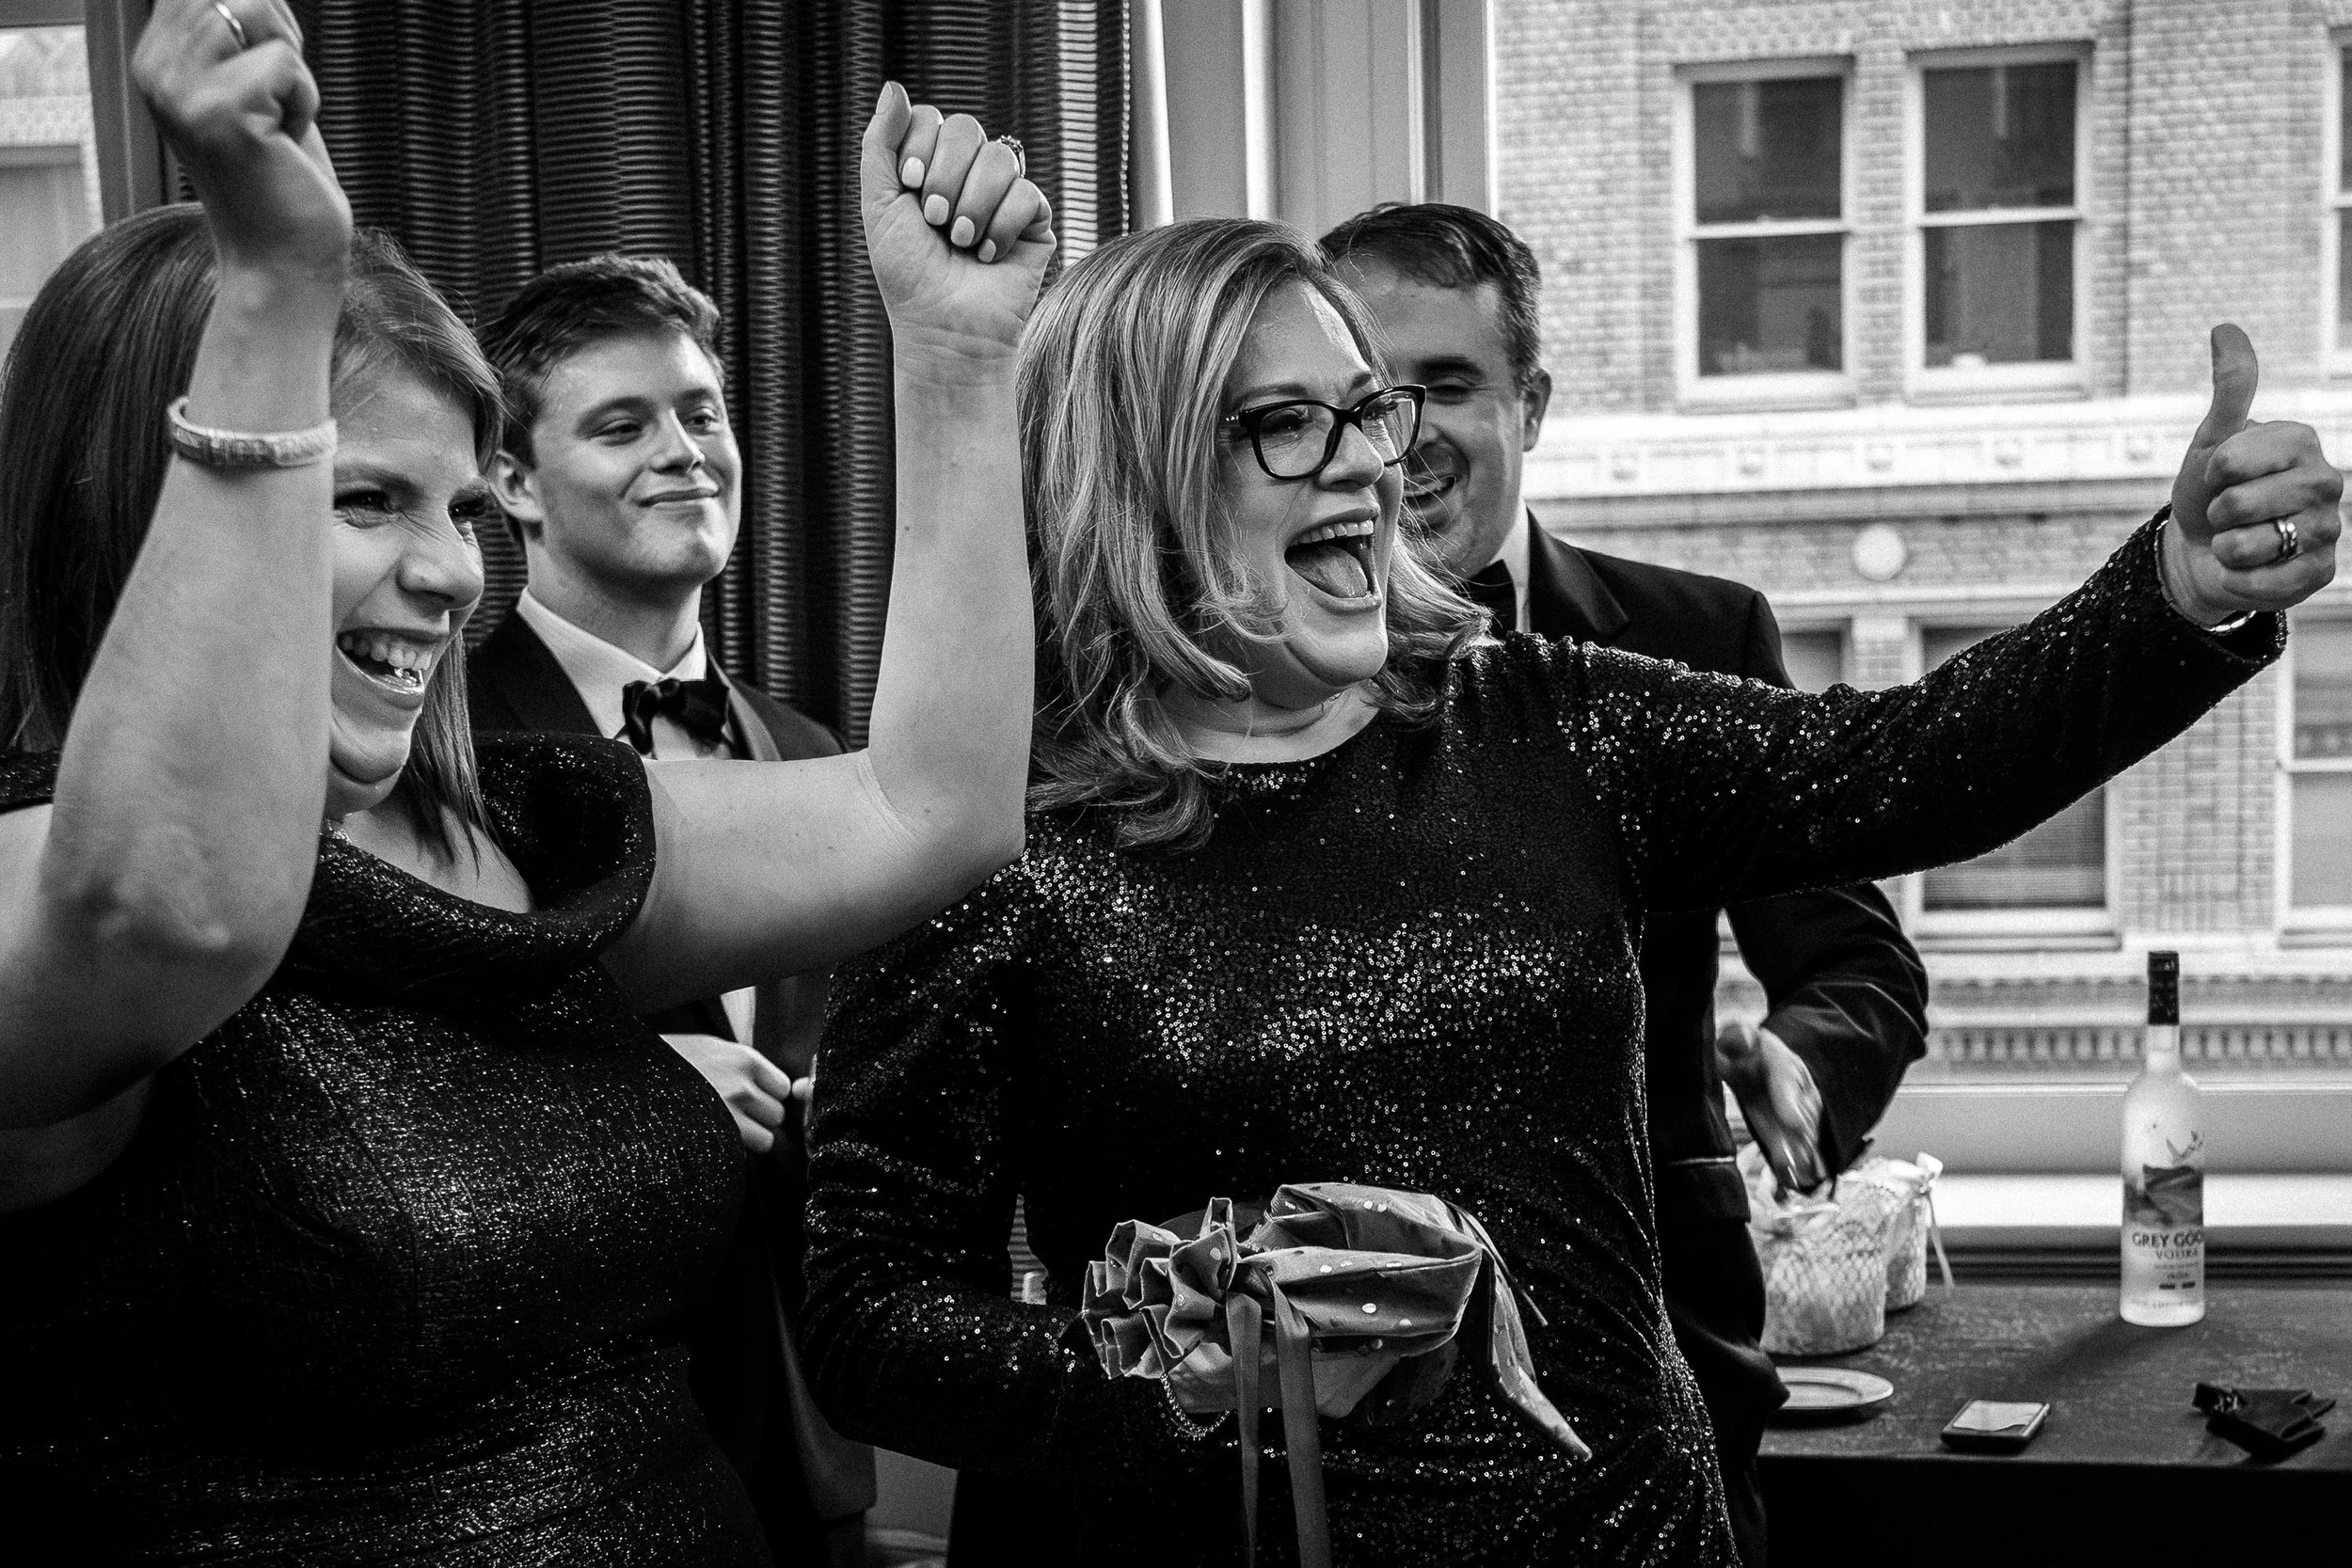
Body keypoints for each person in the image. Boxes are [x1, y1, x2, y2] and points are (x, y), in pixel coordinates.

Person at [800, 215, 2337, 1566]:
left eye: (1366, 409)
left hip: (1622, 1533)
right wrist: (1188, 1367)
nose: (1366, 461)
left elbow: (1908, 761)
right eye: (1285, 423)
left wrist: (2176, 594)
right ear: (1129, 471)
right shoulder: (987, 839)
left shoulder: (1543, 718)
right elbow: (867, 1309)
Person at [0, 3, 1050, 1561]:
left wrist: (959, 360)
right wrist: (276, 294)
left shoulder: (512, 834)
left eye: (460, 509)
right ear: (158, 488)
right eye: (364, 496)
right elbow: (184, 909)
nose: (446, 574)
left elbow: (930, 811)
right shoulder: (49, 874)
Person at [1319, 199, 1929, 1565]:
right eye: (1368, 392)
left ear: (1530, 405)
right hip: (1352, 1413)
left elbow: (1860, 965)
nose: (1405, 439)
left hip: (1660, 1360)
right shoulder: (1242, 675)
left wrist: (1796, 1064)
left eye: (1450, 388)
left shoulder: (1694, 638)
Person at [467, 254, 872, 1565]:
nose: (686, 451)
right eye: (622, 423)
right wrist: (624, 1100)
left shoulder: (811, 746)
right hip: (558, 1472)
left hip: (812, 1463)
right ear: (515, 483)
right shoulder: (438, 750)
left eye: (701, 413)